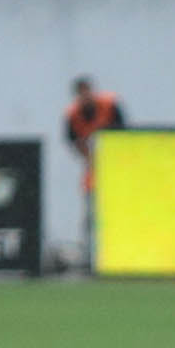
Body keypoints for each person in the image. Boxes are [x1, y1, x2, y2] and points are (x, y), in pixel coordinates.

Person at [62, 74, 124, 272]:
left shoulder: (110, 105)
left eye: (87, 92)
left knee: (118, 214)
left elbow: (125, 137)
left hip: (117, 170)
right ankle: (91, 261)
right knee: (91, 216)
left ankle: (119, 257)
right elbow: (73, 142)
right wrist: (90, 157)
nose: (86, 97)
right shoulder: (73, 115)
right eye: (81, 94)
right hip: (94, 171)